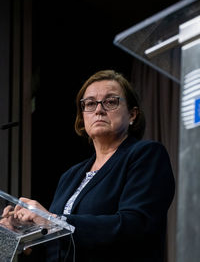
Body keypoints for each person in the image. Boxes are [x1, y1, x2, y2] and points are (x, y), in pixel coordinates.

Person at [2, 69, 175, 262]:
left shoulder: (146, 155)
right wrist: (25, 235)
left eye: (110, 101)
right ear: (82, 118)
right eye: (90, 104)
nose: (99, 109)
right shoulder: (70, 176)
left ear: (132, 114)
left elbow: (136, 226)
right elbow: (60, 244)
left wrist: (52, 220)